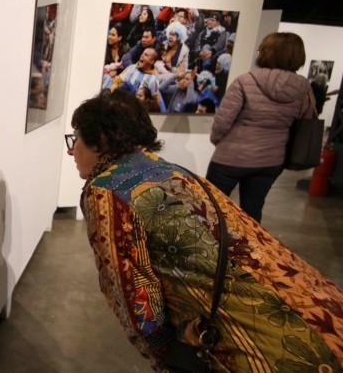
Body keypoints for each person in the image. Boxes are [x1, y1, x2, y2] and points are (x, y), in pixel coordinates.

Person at [68, 90, 343, 371]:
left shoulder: (105, 192)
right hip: (324, 310)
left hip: (276, 345)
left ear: (100, 142)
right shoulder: (172, 170)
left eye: (75, 138)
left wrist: (165, 354)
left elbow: (131, 292)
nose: (71, 149)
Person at [207, 32, 314, 222]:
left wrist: (219, 142)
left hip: (231, 157)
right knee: (252, 212)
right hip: (271, 160)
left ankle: (213, 249)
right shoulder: (304, 88)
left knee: (211, 209)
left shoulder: (245, 81)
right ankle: (247, 250)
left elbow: (222, 121)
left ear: (265, 52)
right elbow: (304, 123)